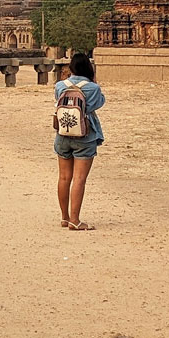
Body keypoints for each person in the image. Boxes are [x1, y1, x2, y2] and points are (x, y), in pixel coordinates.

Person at [54, 52, 105, 231]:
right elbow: (98, 103)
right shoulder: (93, 88)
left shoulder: (60, 85)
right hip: (85, 135)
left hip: (63, 133)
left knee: (64, 177)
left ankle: (65, 217)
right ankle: (75, 220)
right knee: (79, 179)